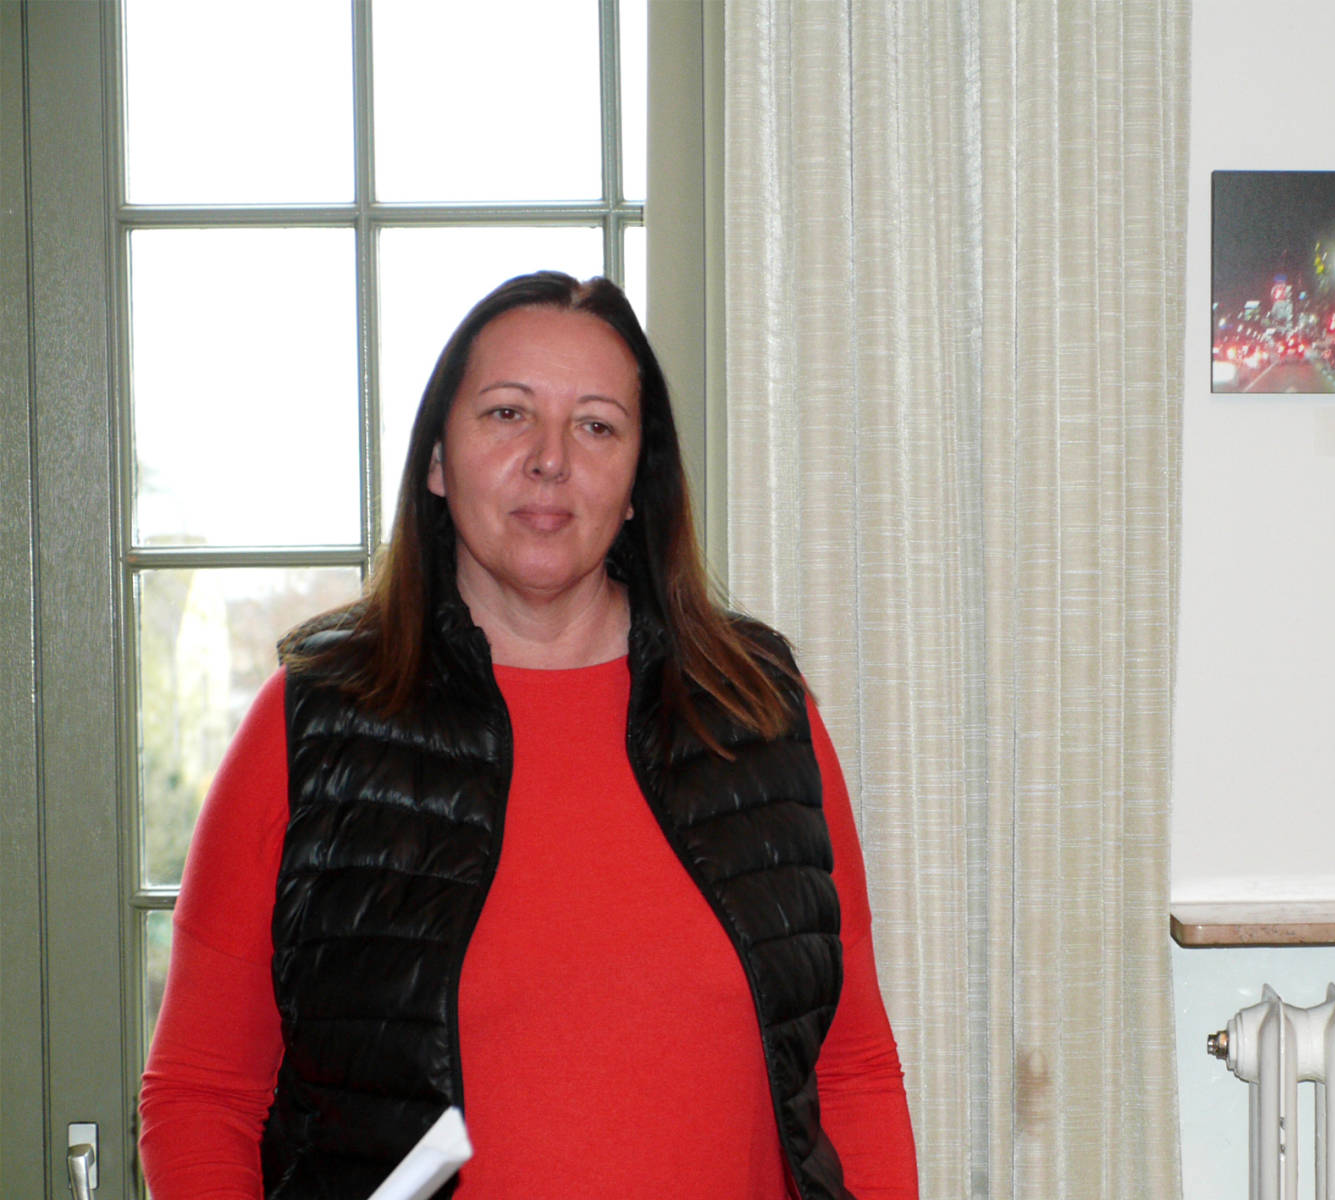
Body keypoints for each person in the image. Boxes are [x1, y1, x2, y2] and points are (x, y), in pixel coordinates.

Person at [138, 271, 919, 1199]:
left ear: (637, 484)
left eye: (597, 426)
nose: (551, 459)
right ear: (437, 461)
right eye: (508, 414)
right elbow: (201, 1095)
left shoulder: (762, 709)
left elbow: (851, 1071)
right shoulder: (309, 724)